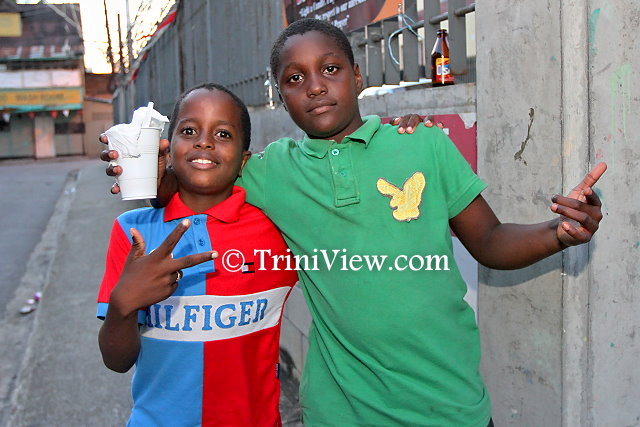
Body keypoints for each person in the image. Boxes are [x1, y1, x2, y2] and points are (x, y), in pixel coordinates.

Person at [103, 19, 606, 427]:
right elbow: (201, 175)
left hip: (449, 406)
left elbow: (491, 241)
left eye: (330, 69)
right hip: (340, 411)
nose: (315, 86)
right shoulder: (273, 171)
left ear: (359, 76)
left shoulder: (424, 145)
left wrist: (559, 233)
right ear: (281, 96)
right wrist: (146, 168)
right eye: (295, 79)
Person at [97, 83, 299, 427]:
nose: (204, 142)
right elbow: (116, 361)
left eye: (223, 134)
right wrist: (122, 305)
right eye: (189, 131)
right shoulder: (132, 232)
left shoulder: (276, 231)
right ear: (167, 148)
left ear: (244, 160)